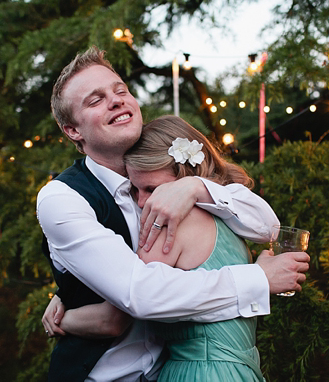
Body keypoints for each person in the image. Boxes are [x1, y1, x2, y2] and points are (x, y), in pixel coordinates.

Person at [37, 46, 309, 381]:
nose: (117, 100)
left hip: (174, 370)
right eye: (95, 100)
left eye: (120, 90)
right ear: (72, 130)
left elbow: (268, 226)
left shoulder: (170, 174)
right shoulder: (62, 198)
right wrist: (257, 279)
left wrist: (197, 188)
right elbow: (138, 293)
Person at [55, 115, 268, 381]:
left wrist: (62, 318)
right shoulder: (228, 214)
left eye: (151, 188)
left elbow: (115, 316)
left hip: (198, 372)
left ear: (183, 175)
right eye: (134, 190)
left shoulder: (167, 227)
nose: (143, 201)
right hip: (240, 369)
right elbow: (268, 228)